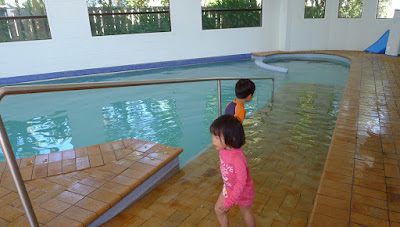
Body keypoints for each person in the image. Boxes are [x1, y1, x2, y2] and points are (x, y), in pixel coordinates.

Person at [210, 114, 255, 227]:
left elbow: (241, 182)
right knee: (218, 209)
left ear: (231, 138)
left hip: (243, 191)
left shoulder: (237, 158)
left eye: (216, 137)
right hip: (228, 187)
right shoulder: (223, 150)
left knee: (246, 212)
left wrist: (230, 201)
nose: (213, 140)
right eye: (213, 136)